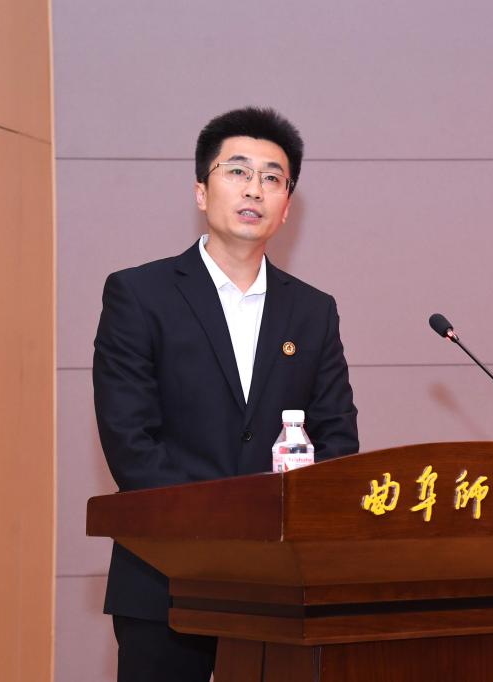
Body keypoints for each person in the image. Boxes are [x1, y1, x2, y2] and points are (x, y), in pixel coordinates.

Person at [92, 107, 360, 681]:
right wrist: (223, 536)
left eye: (272, 177)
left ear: (286, 206)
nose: (254, 188)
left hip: (281, 587)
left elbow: (337, 441)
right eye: (237, 171)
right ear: (201, 191)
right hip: (165, 579)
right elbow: (131, 443)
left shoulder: (313, 311)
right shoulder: (139, 294)